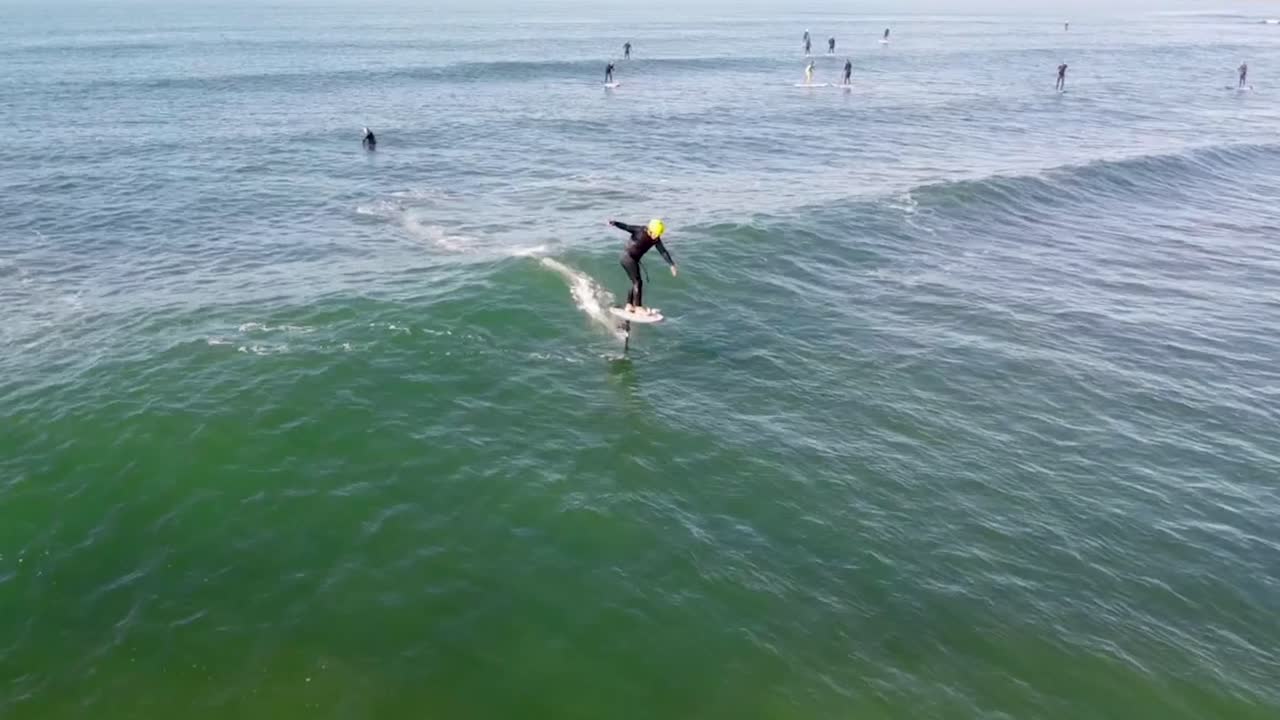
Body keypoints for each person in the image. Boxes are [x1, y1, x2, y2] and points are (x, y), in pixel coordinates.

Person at [609, 219, 676, 314]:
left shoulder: (656, 239)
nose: (656, 236)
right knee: (638, 282)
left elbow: (663, 251)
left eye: (659, 234)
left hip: (633, 259)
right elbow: (626, 227)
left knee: (634, 282)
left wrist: (671, 264)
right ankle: (638, 307)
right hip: (627, 257)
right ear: (650, 230)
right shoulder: (639, 230)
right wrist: (615, 223)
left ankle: (629, 305)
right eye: (655, 233)